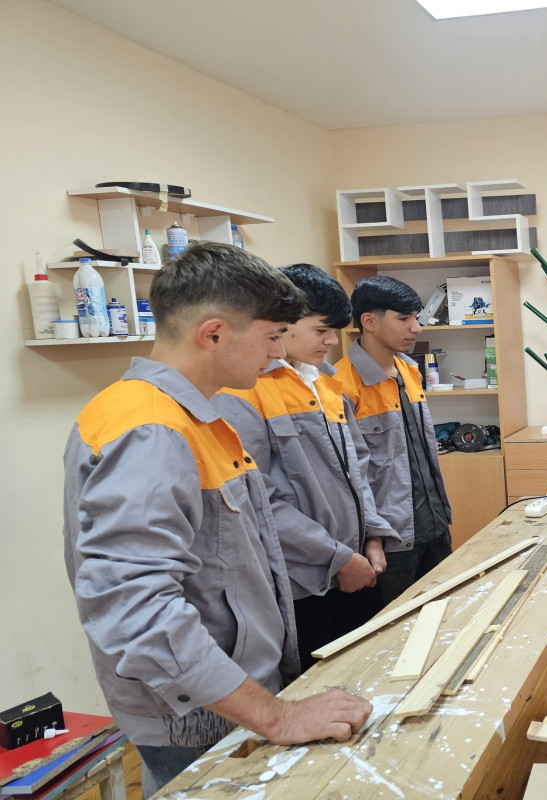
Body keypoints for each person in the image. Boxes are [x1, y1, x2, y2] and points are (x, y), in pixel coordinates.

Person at [63, 243, 372, 797]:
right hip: (198, 711)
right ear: (213, 334)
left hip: (227, 694)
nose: (278, 354)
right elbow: (136, 608)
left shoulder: (193, 415)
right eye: (273, 336)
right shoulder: (152, 431)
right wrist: (276, 716)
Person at [214, 264, 401, 670]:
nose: (332, 341)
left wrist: (372, 536)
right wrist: (337, 559)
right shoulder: (243, 392)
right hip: (302, 582)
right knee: (316, 682)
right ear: (284, 322)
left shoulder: (325, 383)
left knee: (368, 671)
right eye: (322, 330)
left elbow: (358, 469)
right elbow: (258, 500)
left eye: (336, 330)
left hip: (357, 564)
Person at [336, 276, 452, 604]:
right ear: (369, 321)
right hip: (390, 539)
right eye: (404, 318)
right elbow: (350, 477)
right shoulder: (340, 386)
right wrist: (372, 535)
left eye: (415, 317)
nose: (416, 327)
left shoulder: (409, 370)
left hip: (434, 525)